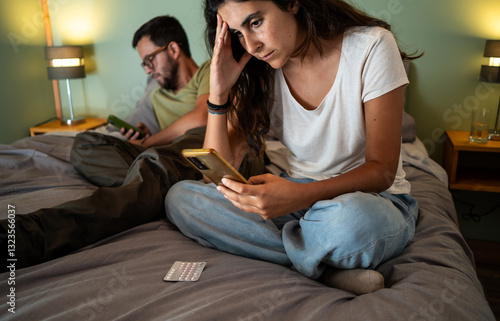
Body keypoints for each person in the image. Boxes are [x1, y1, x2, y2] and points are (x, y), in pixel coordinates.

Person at [165, 0, 420, 295]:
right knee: (182, 199)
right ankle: (322, 269)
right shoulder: (259, 73)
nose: (251, 46)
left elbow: (383, 171)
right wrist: (219, 93)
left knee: (354, 224)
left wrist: (296, 196)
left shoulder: (371, 46)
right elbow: (214, 175)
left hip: (369, 200)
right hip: (297, 198)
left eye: (256, 23)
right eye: (237, 34)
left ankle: (292, 252)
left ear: (293, 3)